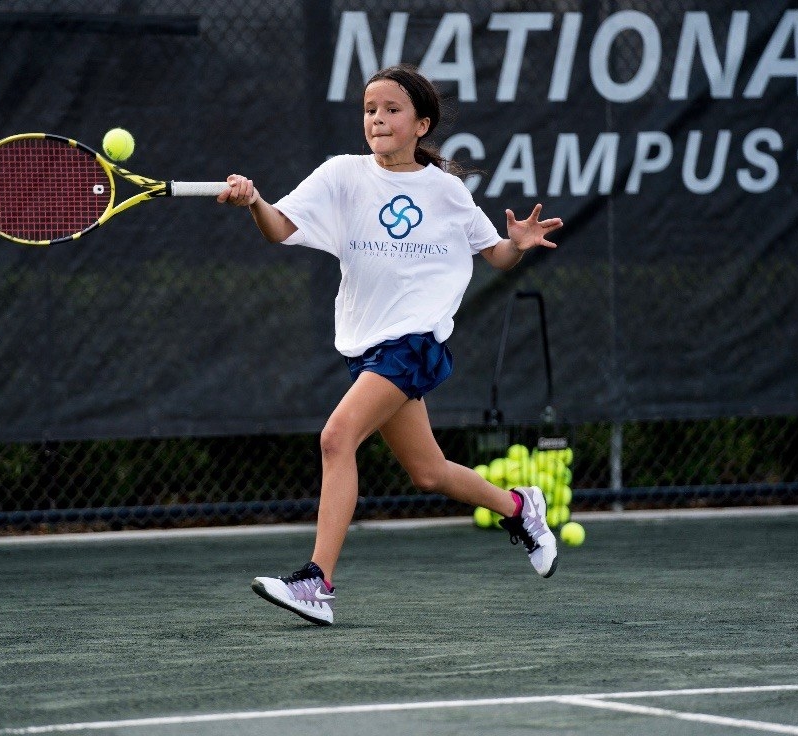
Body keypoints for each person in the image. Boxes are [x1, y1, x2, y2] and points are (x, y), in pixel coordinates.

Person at [217, 64, 563, 626]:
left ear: (421, 124)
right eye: (369, 110)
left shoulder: (446, 191)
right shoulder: (341, 176)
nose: (377, 118)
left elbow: (493, 253)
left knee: (336, 438)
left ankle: (316, 583)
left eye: (392, 110)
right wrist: (254, 201)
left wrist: (516, 244)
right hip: (369, 346)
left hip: (415, 341)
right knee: (427, 473)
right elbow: (279, 228)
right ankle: (521, 508)